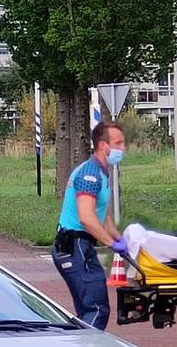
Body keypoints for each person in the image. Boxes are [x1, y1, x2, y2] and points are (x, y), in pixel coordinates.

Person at [51, 121, 127, 330]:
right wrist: (112, 244)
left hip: (80, 247)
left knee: (89, 310)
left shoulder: (101, 172)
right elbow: (87, 218)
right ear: (103, 145)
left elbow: (102, 215)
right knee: (96, 308)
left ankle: (78, 346)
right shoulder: (90, 174)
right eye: (118, 143)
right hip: (73, 246)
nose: (123, 148)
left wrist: (119, 237)